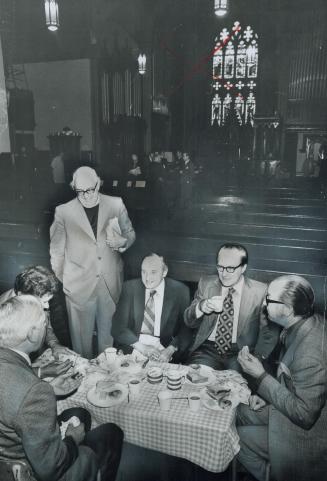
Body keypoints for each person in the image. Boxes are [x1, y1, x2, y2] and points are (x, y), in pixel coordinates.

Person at [0, 295, 123, 481]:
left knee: (79, 412)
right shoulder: (34, 392)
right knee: (112, 432)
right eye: (44, 321)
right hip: (26, 473)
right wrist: (73, 439)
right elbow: (51, 468)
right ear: (33, 334)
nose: (47, 326)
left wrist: (48, 388)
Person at [237, 275, 327, 481]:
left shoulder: (311, 353)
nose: (263, 303)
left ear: (286, 310)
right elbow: (292, 378)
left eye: (269, 299)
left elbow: (305, 416)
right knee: (239, 411)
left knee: (236, 439)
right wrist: (268, 395)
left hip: (306, 433)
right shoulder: (302, 324)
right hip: (292, 406)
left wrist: (259, 376)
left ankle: (272, 476)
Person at [50, 166, 136, 359]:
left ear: (99, 183)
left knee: (109, 343)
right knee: (81, 346)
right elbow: (56, 252)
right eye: (81, 191)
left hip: (109, 284)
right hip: (78, 287)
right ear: (74, 188)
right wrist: (67, 280)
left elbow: (130, 234)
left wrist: (123, 242)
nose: (87, 195)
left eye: (91, 189)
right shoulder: (63, 212)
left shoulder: (115, 204)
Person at [184, 243, 279, 371]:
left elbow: (269, 332)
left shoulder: (261, 291)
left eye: (230, 268)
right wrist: (201, 307)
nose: (224, 274)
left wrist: (258, 358)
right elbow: (188, 321)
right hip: (208, 350)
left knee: (236, 386)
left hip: (241, 353)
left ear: (243, 267)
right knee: (196, 380)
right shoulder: (206, 284)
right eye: (220, 267)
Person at [112, 253, 192, 362]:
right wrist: (142, 347)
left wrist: (170, 349)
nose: (147, 278)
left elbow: (186, 329)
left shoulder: (180, 291)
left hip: (164, 348)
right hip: (135, 345)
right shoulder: (129, 288)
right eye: (143, 271)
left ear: (164, 272)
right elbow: (117, 327)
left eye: (153, 272)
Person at [0, 265, 73, 378]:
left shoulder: (30, 300)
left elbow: (45, 323)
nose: (47, 306)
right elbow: (6, 369)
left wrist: (54, 344)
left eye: (48, 301)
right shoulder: (4, 317)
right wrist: (40, 372)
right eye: (43, 302)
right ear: (20, 295)